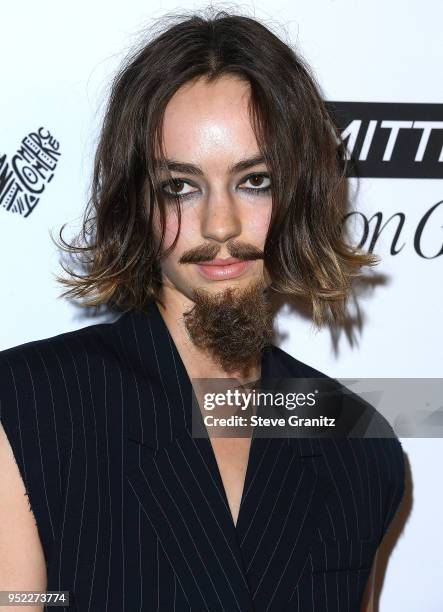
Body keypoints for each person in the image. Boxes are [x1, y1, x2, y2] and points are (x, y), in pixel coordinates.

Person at [0, 8, 405, 612]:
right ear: (136, 200)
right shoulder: (32, 408)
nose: (221, 226)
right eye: (180, 186)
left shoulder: (358, 444)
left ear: (301, 190)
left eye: (255, 180)